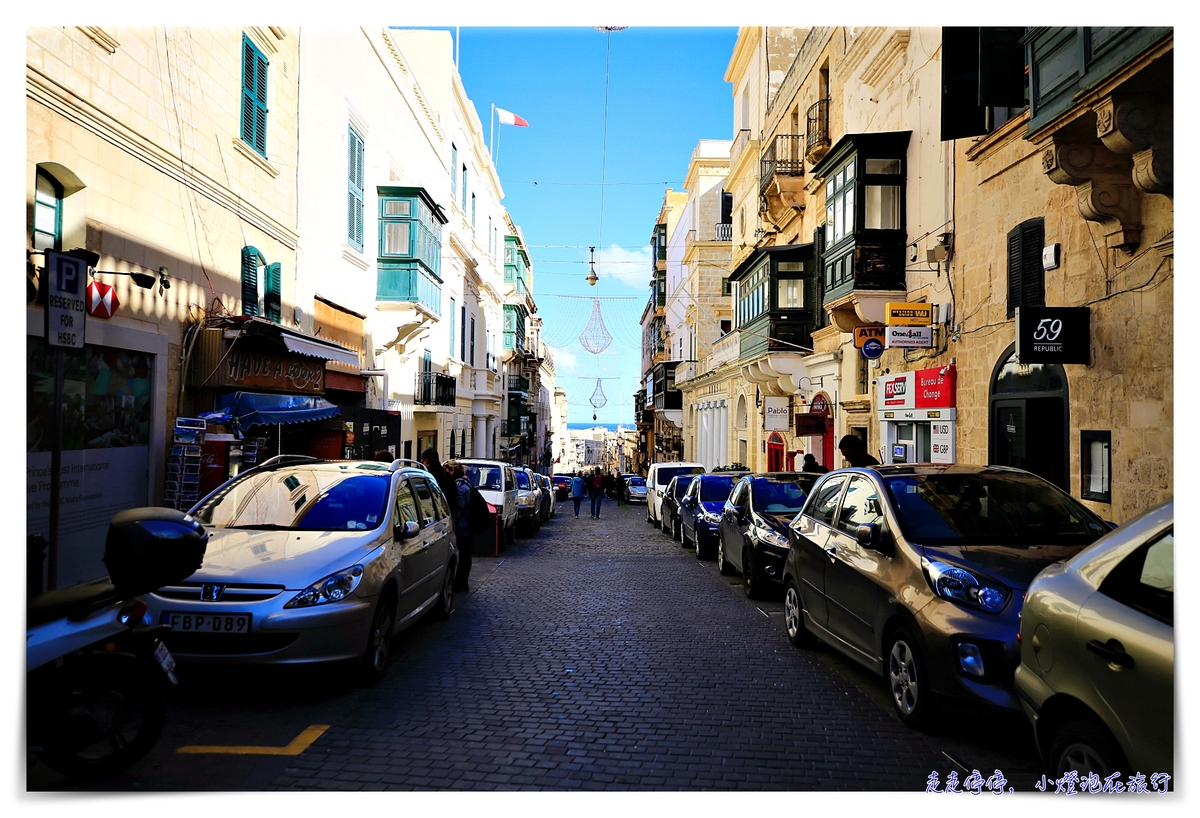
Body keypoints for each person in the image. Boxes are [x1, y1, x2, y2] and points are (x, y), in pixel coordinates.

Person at [447, 460, 472, 593]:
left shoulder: (459, 486)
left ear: (452, 471)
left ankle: (461, 583)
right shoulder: (466, 482)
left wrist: (452, 523)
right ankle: (463, 582)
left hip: (462, 525)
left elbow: (459, 507)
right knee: (465, 554)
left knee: (461, 554)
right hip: (467, 524)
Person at [420, 448, 458, 514]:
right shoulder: (445, 474)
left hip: (434, 512)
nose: (422, 463)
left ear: (427, 461)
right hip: (447, 512)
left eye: (423, 461)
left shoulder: (427, 476)